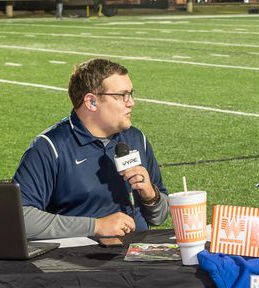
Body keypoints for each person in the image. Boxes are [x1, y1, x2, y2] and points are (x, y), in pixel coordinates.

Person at [13, 58, 169, 240]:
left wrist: (151, 196)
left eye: (131, 94)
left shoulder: (136, 138)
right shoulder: (50, 147)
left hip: (138, 257)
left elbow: (159, 217)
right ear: (91, 102)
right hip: (79, 262)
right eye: (122, 95)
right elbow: (19, 218)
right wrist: (95, 226)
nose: (131, 102)